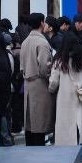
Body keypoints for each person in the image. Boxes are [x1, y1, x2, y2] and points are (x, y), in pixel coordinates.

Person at [49, 35, 82, 163]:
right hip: (79, 97)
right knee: (80, 126)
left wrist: (50, 89)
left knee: (65, 127)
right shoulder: (81, 60)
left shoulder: (60, 61)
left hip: (64, 97)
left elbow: (54, 82)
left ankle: (66, 157)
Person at [19, 12, 55, 146]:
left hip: (27, 82)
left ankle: (30, 147)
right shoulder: (42, 42)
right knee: (40, 120)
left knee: (29, 120)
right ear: (41, 23)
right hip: (40, 83)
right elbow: (45, 67)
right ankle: (38, 150)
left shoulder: (25, 42)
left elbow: (22, 66)